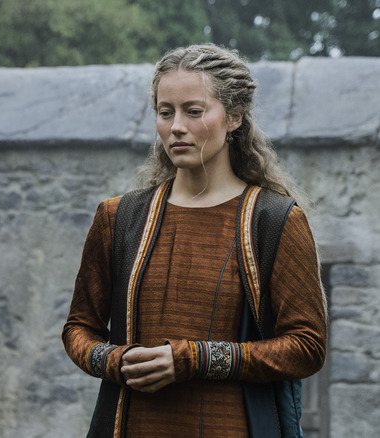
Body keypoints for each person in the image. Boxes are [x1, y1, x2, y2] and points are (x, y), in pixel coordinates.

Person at [62, 44, 327, 438]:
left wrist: (194, 358)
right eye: (165, 112)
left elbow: (307, 346)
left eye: (194, 111)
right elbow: (79, 329)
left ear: (234, 117)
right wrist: (117, 361)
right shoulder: (119, 218)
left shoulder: (274, 220)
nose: (176, 127)